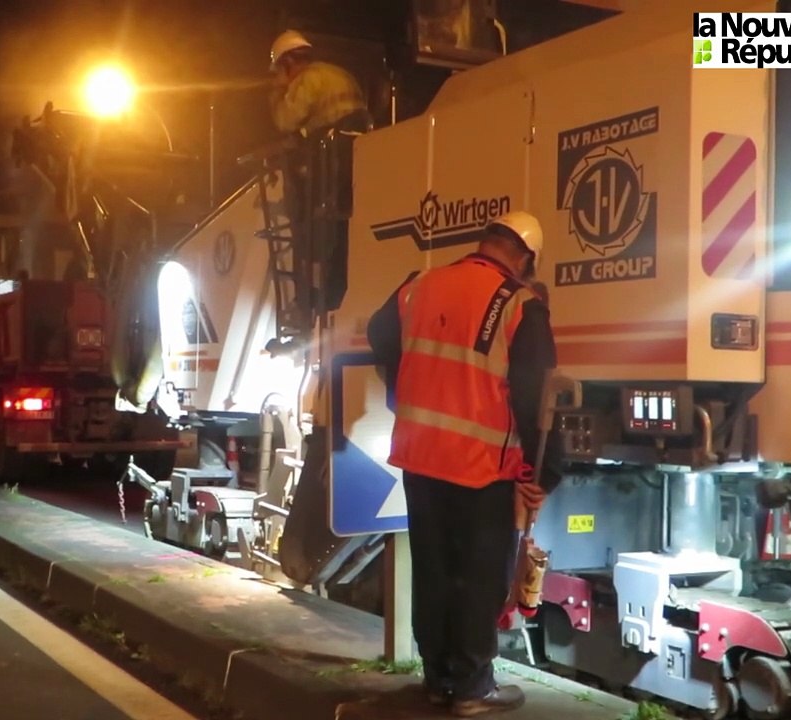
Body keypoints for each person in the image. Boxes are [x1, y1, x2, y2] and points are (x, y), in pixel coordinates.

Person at [366, 211, 559, 717]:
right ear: (525, 258)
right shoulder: (520, 304)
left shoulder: (419, 286)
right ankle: (472, 689)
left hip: (420, 457)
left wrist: (405, 383)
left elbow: (378, 332)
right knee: (477, 578)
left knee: (433, 570)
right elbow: (536, 398)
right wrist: (544, 473)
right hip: (481, 467)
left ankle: (438, 680)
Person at [267, 30, 374, 316]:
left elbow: (285, 120)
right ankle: (332, 290)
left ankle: (311, 297)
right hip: (354, 162)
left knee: (309, 227)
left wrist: (277, 92)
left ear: (288, 62)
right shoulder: (339, 74)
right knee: (341, 233)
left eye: (279, 70)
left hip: (329, 163)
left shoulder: (306, 80)